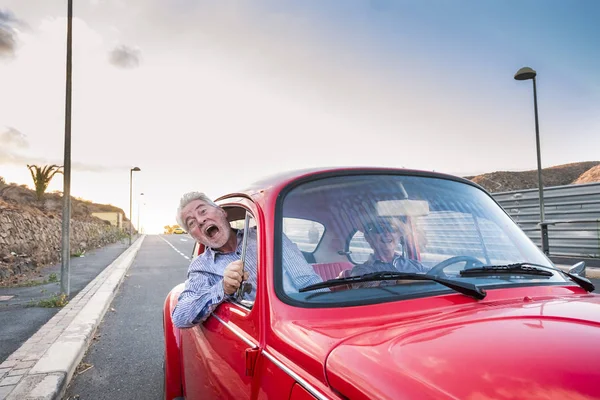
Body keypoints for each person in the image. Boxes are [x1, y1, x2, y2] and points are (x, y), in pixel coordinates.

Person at [171, 192, 323, 328]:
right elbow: (180, 316)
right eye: (191, 223)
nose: (200, 220)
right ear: (194, 236)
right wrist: (222, 288)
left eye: (203, 211)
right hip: (257, 333)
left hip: (304, 322)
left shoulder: (267, 236)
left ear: (222, 212)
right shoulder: (201, 267)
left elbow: (308, 281)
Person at [350, 217, 428, 287]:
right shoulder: (360, 270)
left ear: (399, 235)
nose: (387, 233)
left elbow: (436, 275)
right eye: (379, 229)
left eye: (392, 229)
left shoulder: (415, 265)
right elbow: (366, 285)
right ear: (368, 238)